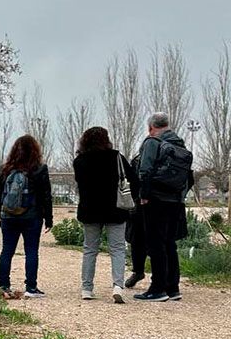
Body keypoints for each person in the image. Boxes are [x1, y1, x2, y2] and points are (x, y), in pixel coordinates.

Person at [134, 112, 193, 302]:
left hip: (156, 200)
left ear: (151, 127)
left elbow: (145, 169)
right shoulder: (179, 144)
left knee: (155, 243)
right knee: (169, 243)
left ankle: (157, 288)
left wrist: (143, 195)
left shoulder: (153, 142)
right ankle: (173, 287)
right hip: (175, 201)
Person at [73, 126, 135, 303]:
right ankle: (117, 286)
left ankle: (86, 288)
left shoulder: (80, 161)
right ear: (106, 139)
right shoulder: (116, 158)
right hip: (115, 209)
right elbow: (132, 179)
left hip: (89, 210)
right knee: (117, 249)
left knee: (89, 249)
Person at [0, 135, 53, 298]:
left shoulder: (5, 169)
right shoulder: (39, 169)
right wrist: (48, 219)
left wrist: (1, 215)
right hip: (32, 217)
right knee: (31, 251)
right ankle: (31, 288)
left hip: (8, 217)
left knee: (7, 251)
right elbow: (46, 196)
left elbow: (0, 195)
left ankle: (4, 286)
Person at [125, 150, 148, 289]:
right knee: (137, 239)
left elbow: (131, 180)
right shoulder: (138, 159)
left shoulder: (139, 159)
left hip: (141, 203)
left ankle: (138, 272)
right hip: (142, 203)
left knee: (137, 240)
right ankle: (138, 271)